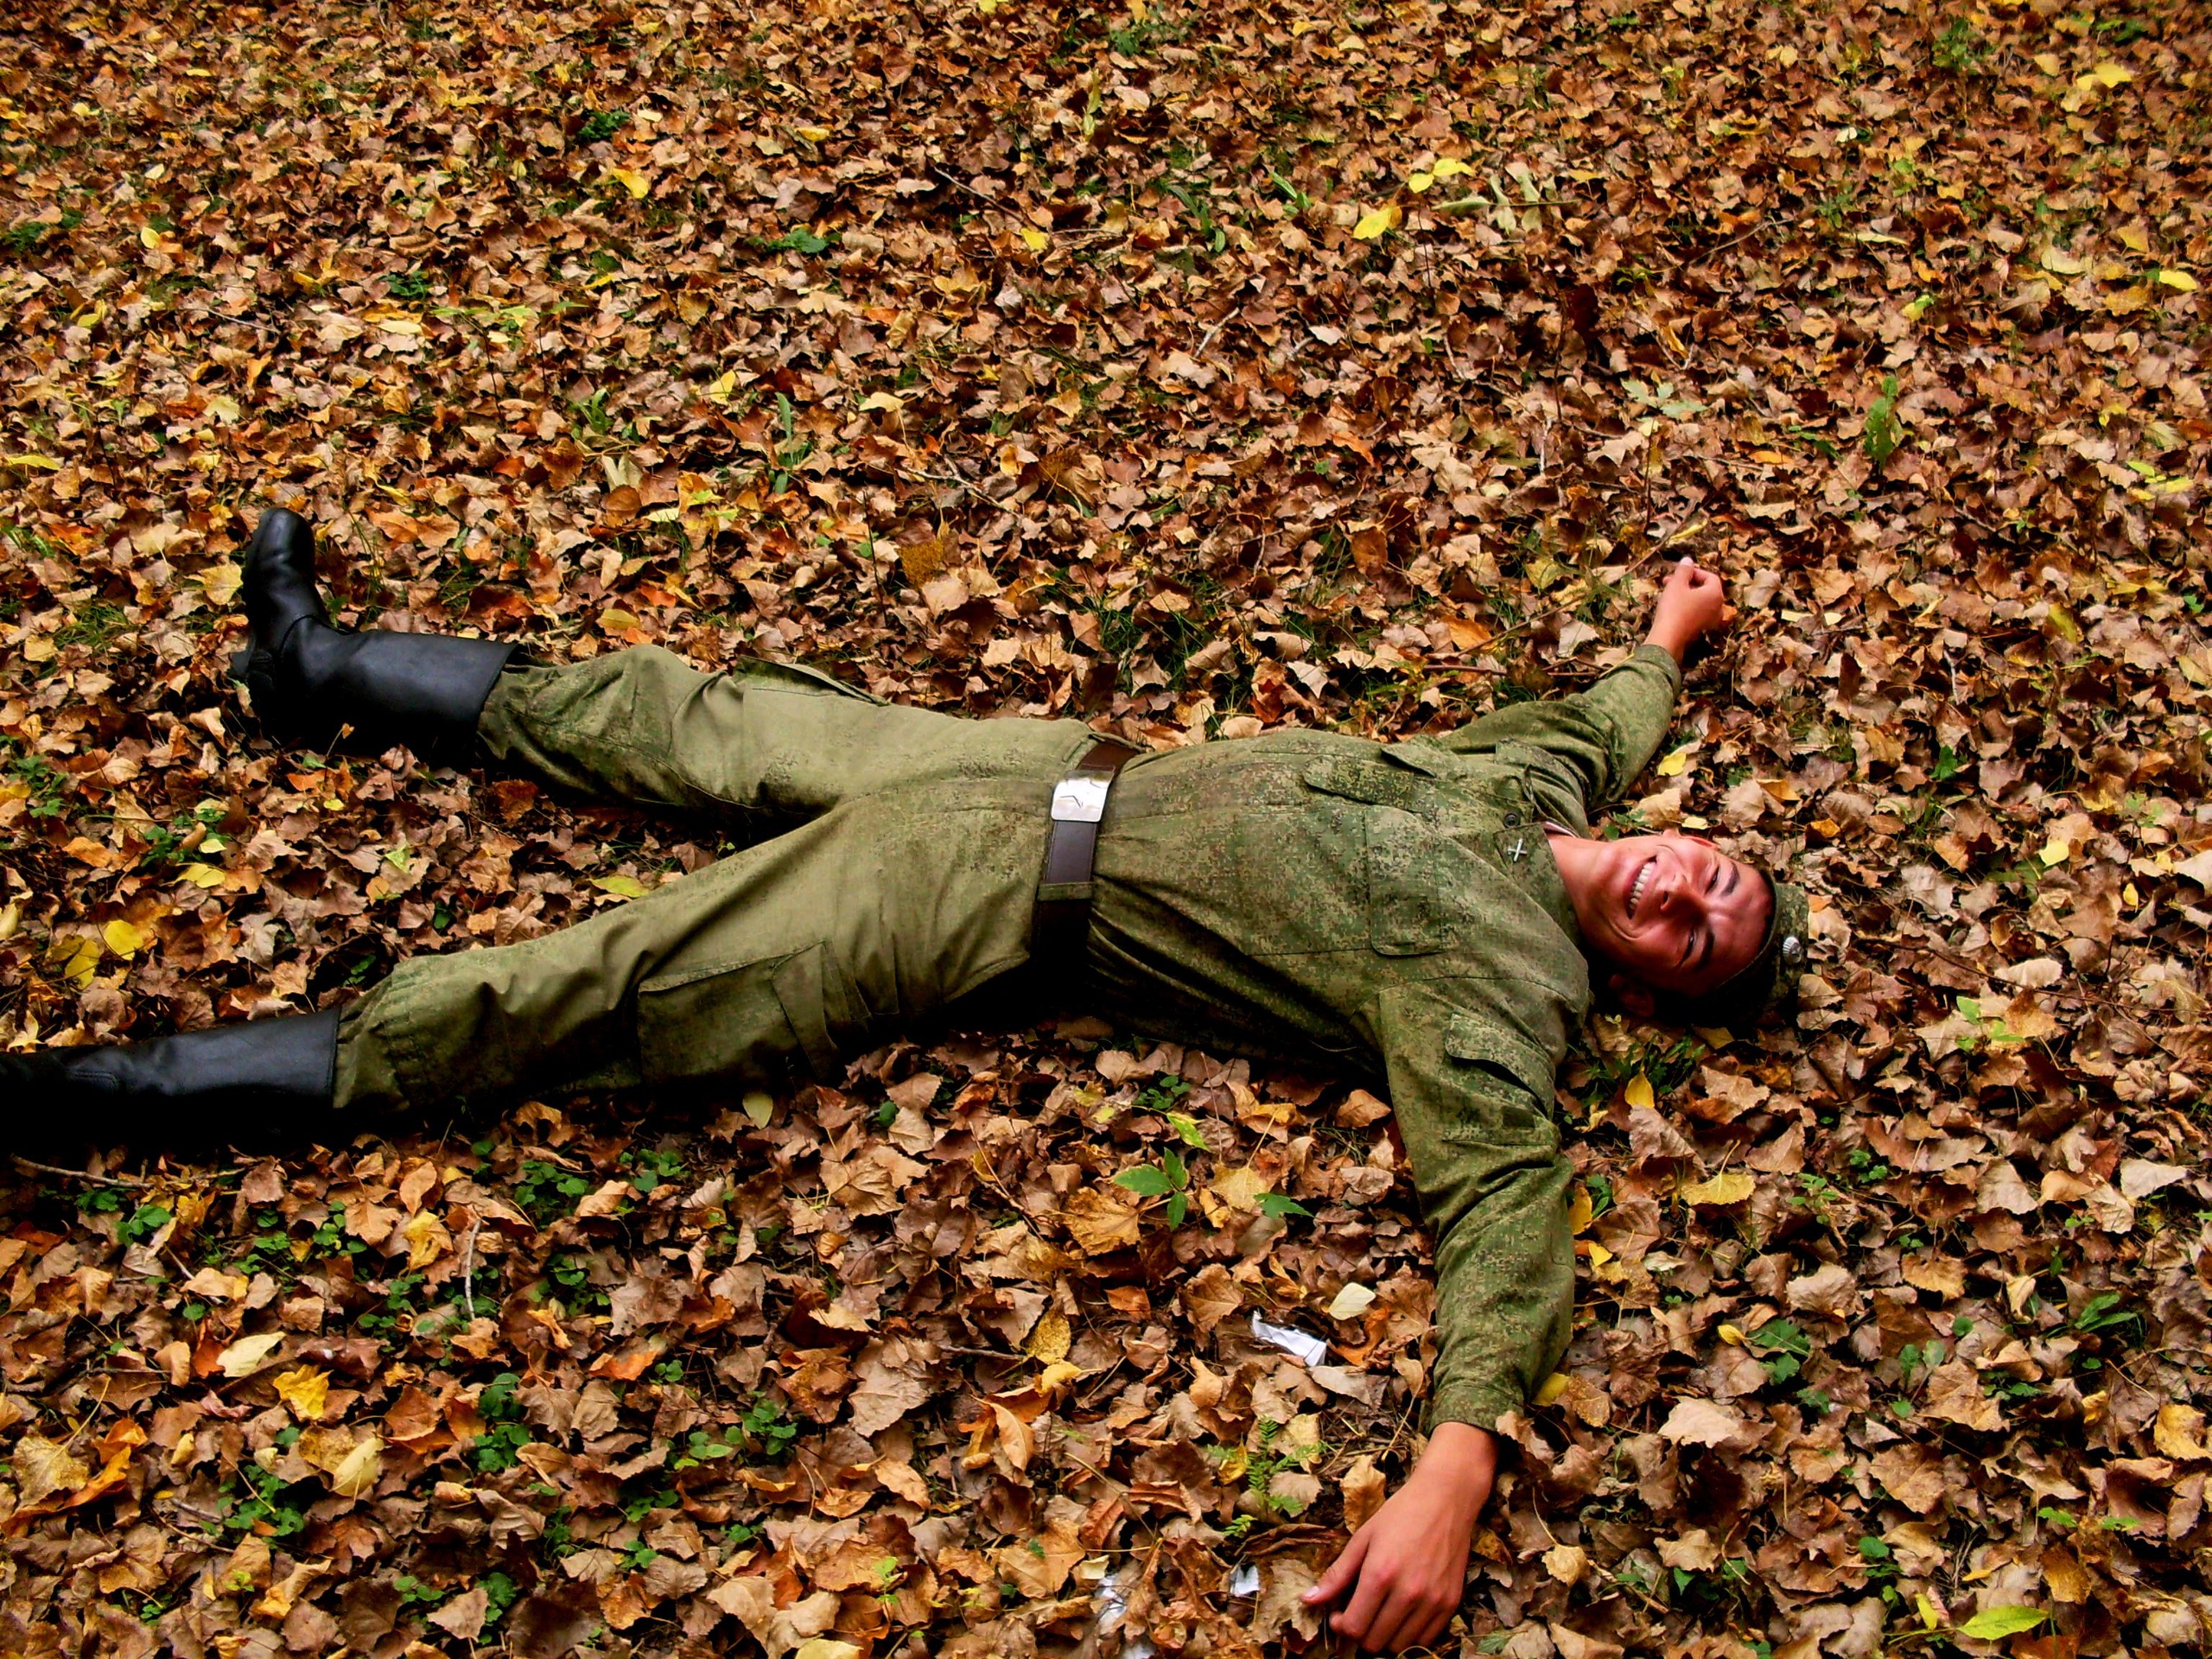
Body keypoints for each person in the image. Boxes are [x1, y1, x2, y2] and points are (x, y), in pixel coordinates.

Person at [4, 510, 1806, 1652]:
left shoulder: (1498, 984)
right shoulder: (1534, 780)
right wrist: (1670, 631)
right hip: (1027, 761)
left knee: (602, 988)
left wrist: (1455, 1467)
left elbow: (1505, 1202)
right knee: (683, 712)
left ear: (1647, 991)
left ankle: (91, 1094)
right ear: (1690, 833)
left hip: (975, 898)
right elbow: (1611, 710)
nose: (1682, 899)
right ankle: (315, 667)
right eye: (1711, 877)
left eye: (1695, 944)